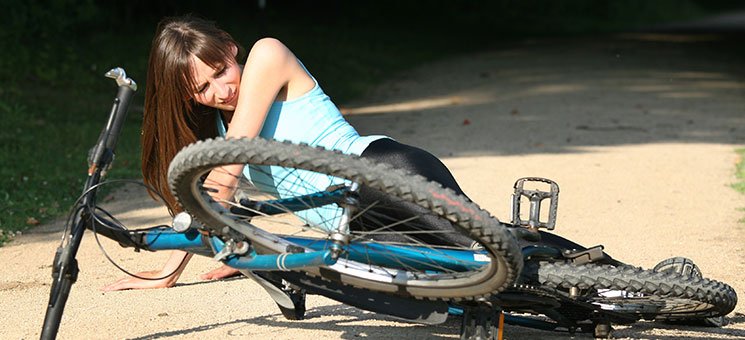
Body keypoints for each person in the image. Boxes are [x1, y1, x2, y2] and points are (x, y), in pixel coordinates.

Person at [101, 15, 472, 291]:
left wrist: (173, 268)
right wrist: (242, 250)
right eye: (203, 87)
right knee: (471, 291)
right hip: (355, 229)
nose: (221, 89)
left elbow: (226, 175)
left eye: (220, 70)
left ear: (231, 49)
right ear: (186, 96)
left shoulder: (267, 56)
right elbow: (210, 199)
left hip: (382, 176)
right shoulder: (216, 127)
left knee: (489, 256)